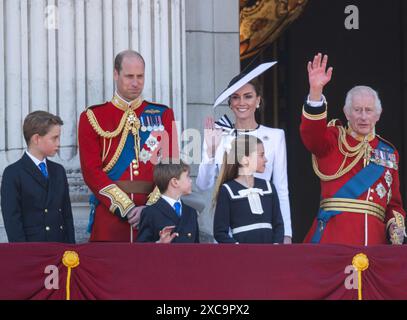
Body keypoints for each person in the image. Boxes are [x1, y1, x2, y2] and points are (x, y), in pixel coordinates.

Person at [301, 53, 406, 245]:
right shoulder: (333, 139)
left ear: (378, 114)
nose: (363, 117)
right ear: (347, 113)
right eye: (357, 110)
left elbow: (394, 204)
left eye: (368, 110)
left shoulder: (389, 153)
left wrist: (395, 225)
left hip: (375, 244)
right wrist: (315, 91)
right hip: (333, 239)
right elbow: (311, 135)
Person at [78, 50, 179, 242]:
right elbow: (91, 171)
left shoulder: (163, 114)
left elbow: (171, 166)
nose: (135, 83)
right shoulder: (92, 117)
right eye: (129, 76)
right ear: (116, 74)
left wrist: (149, 210)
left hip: (154, 220)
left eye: (140, 76)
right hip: (110, 220)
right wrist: (127, 207)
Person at [196, 64, 292, 243]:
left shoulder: (275, 136)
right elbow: (202, 185)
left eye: (248, 96)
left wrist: (286, 234)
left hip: (265, 229)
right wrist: (210, 152)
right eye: (235, 97)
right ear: (230, 103)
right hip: (229, 232)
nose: (242, 102)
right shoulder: (219, 135)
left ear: (258, 101)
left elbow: (281, 188)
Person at [1, 111, 75, 243]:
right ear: (36, 139)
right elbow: (13, 222)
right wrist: (26, 258)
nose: (58, 143)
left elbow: (67, 216)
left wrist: (71, 251)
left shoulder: (59, 171)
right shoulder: (13, 173)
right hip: (32, 252)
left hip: (60, 250)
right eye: (54, 138)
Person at [213, 135, 284, 244]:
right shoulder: (227, 190)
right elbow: (220, 232)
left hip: (269, 255)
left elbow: (278, 224)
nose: (266, 159)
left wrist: (275, 247)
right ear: (244, 159)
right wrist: (239, 249)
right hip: (242, 257)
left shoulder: (268, 187)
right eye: (261, 155)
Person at [137, 159, 199, 243]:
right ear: (175, 182)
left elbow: (197, 248)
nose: (190, 180)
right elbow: (141, 249)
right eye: (187, 176)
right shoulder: (150, 212)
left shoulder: (191, 212)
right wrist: (159, 244)